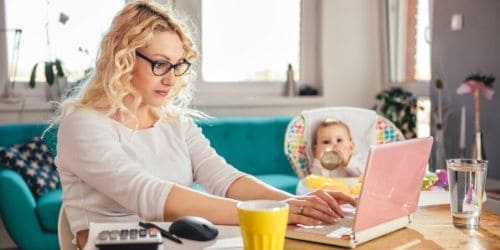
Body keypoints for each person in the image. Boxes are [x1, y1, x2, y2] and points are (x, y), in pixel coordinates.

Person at [53, 1, 356, 248]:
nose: (171, 78)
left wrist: (295, 202)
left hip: (176, 238)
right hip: (113, 244)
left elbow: (224, 179)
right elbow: (146, 194)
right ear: (124, 58)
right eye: (160, 64)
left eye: (177, 65)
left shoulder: (174, 122)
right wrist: (271, 212)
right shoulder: (83, 123)